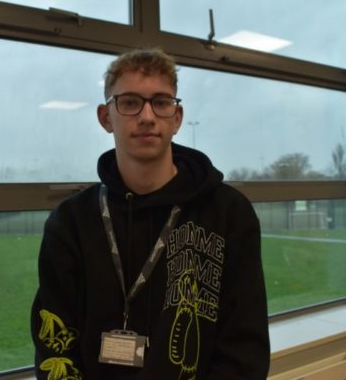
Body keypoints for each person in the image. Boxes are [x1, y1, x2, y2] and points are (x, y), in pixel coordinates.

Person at [31, 47, 270, 380]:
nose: (146, 116)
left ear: (177, 117)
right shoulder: (70, 222)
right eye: (129, 102)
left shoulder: (229, 213)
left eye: (160, 102)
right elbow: (55, 344)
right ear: (105, 117)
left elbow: (244, 350)